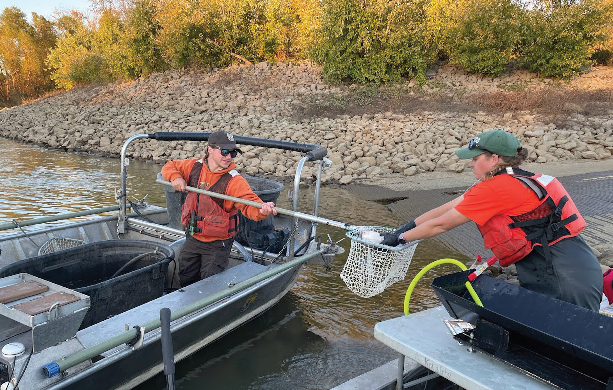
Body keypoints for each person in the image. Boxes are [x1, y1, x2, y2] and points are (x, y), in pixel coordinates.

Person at [382, 129, 603, 311]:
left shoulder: (496, 189)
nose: (470, 164)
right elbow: (447, 208)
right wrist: (405, 229)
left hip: (563, 277)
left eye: (475, 158)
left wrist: (398, 240)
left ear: (494, 159)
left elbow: (441, 224)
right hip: (574, 265)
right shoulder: (516, 178)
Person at [161, 131, 277, 287]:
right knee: (185, 277)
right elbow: (169, 166)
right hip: (193, 236)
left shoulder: (235, 180)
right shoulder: (193, 167)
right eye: (224, 151)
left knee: (209, 283)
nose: (229, 156)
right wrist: (175, 177)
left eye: (233, 152)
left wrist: (262, 210)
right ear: (210, 149)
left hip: (218, 244)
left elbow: (250, 203)